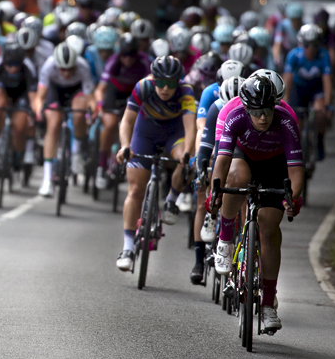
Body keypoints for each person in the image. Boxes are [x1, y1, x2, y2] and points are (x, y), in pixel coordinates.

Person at [210, 74, 304, 333]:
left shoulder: (286, 121)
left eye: (267, 111)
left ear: (275, 105)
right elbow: (222, 162)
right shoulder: (235, 116)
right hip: (244, 157)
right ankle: (225, 240)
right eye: (256, 112)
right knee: (235, 176)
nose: (263, 117)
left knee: (269, 227)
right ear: (246, 108)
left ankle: (267, 305)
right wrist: (214, 193)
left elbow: (296, 171)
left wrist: (292, 199)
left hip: (275, 164)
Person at [114, 56, 197, 271]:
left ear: (178, 81)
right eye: (161, 82)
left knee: (186, 158)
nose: (165, 88)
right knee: (135, 190)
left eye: (171, 83)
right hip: (145, 134)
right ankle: (128, 247)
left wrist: (188, 153)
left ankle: (172, 199)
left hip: (173, 133)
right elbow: (127, 121)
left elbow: (190, 127)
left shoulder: (185, 91)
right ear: (154, 79)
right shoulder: (143, 86)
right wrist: (125, 146)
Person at [190, 73, 244, 283]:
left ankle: (246, 241)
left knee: (243, 187)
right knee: (204, 194)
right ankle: (198, 261)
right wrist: (202, 168)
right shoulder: (216, 108)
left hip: (241, 153)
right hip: (220, 151)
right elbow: (205, 141)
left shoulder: (251, 112)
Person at [35, 42, 95, 197]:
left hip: (76, 91)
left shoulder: (83, 66)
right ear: (57, 65)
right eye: (62, 69)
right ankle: (47, 179)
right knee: (53, 124)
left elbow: (89, 96)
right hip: (56, 91)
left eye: (70, 69)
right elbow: (40, 95)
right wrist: (38, 110)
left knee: (79, 113)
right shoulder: (49, 66)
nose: (66, 73)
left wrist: (93, 111)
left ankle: (76, 151)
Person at [94, 33, 151, 190]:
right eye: (124, 56)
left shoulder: (144, 62)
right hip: (115, 92)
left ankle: (120, 159)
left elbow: (150, 88)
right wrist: (99, 104)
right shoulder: (114, 61)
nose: (127, 59)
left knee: (133, 124)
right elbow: (101, 88)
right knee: (110, 124)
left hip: (134, 93)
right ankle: (101, 165)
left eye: (131, 55)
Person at [0, 40, 38, 166]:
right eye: (9, 65)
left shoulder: (28, 67)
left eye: (16, 65)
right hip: (2, 92)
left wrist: (34, 113)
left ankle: (18, 156)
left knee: (19, 127)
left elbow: (33, 97)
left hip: (21, 94)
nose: (13, 68)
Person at [282, 23, 334, 159]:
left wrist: (327, 104)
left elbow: (327, 81)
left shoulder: (324, 56)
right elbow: (287, 80)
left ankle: (320, 139)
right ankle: (297, 150)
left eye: (314, 45)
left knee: (320, 113)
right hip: (298, 89)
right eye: (307, 45)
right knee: (297, 123)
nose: (310, 49)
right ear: (302, 44)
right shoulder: (293, 55)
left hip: (316, 89)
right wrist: (285, 102)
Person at [272, 2, 305, 69]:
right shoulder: (283, 25)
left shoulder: (305, 27)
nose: (296, 23)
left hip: (302, 53)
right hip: (286, 52)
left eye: (298, 20)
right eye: (293, 20)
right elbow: (277, 43)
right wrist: (276, 59)